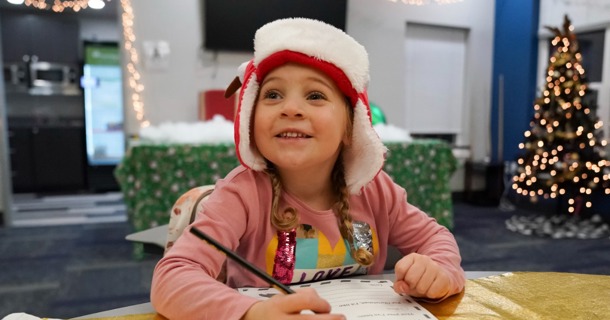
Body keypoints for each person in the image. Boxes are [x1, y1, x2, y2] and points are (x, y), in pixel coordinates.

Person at [151, 17, 465, 319]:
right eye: (273, 94)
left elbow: (436, 240)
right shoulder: (241, 195)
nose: (290, 108)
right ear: (249, 118)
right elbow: (171, 279)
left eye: (315, 95)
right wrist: (251, 313)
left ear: (350, 126)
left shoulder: (375, 190)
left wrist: (439, 271)